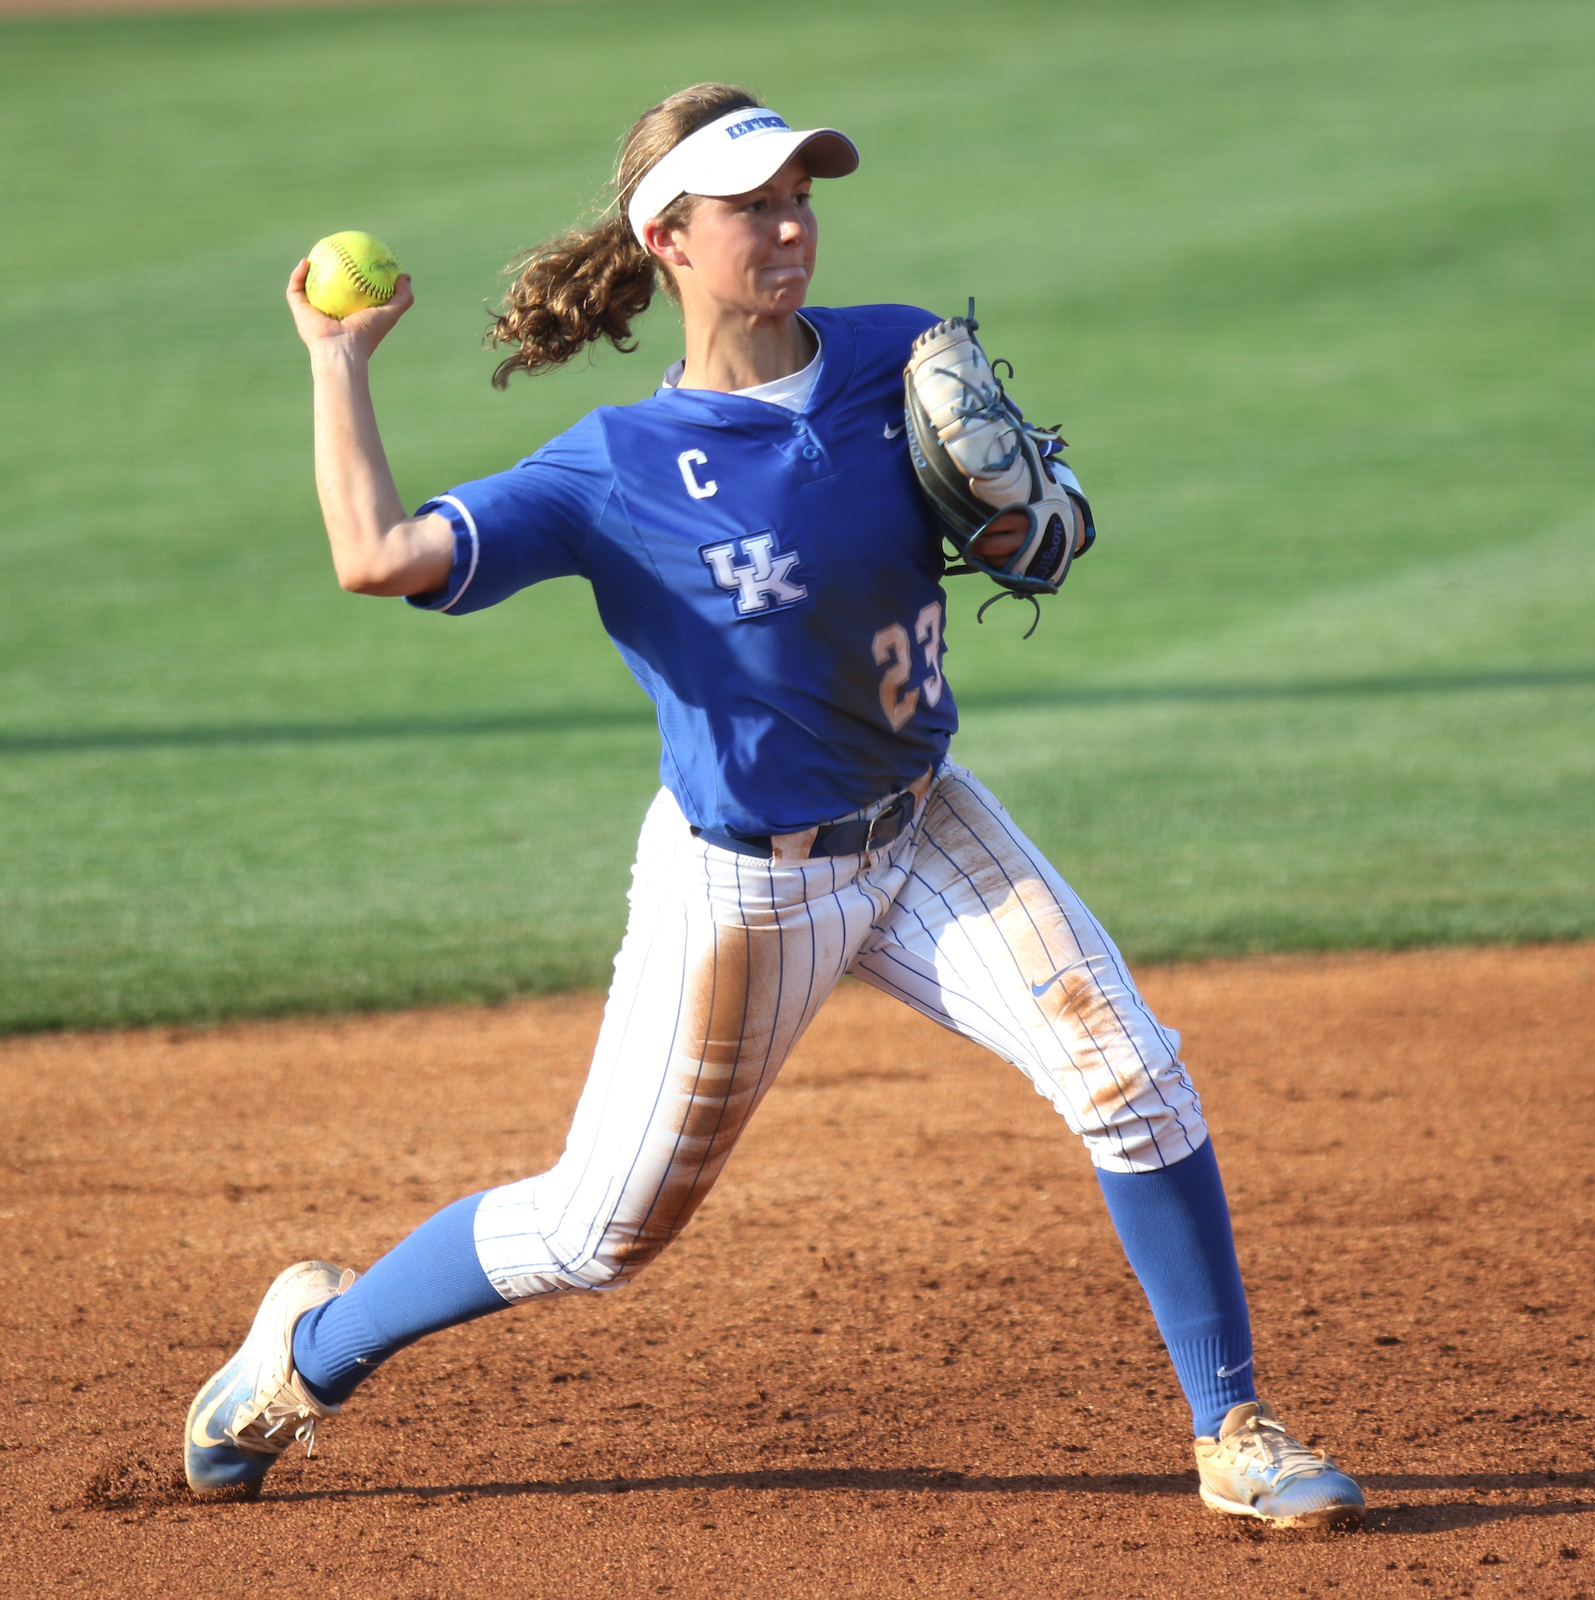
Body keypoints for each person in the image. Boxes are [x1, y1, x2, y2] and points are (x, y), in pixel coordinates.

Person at [183, 83, 1365, 1532]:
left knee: (1129, 1074)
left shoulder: (902, 357)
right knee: (597, 1232)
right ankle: (299, 1355)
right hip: (748, 889)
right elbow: (376, 556)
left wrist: (1030, 530)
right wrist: (336, 363)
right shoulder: (614, 467)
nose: (792, 227)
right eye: (755, 207)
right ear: (669, 237)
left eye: (803, 197)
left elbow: (1038, 534)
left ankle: (1233, 1426)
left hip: (926, 820)